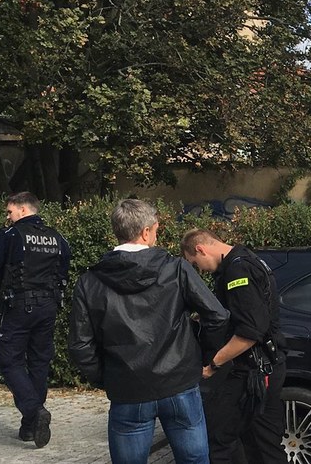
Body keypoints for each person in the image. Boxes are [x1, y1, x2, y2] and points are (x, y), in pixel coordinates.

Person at [69, 199, 229, 464]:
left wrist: (108, 378)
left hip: (128, 390)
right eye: (155, 229)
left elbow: (80, 345)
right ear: (145, 232)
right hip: (179, 383)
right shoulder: (176, 268)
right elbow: (218, 316)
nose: (156, 235)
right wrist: (201, 357)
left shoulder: (89, 282)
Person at [181, 228, 288, 464]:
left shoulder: (237, 270)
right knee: (262, 444)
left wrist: (213, 364)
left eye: (195, 263)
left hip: (253, 374)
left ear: (201, 249)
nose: (200, 270)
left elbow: (249, 332)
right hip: (268, 367)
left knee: (219, 438)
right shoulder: (246, 259)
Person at [0, 191, 71, 448]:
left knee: (7, 358)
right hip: (49, 306)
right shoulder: (57, 237)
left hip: (20, 306)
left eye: (9, 212)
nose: (7, 217)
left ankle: (34, 411)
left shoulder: (11, 235)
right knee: (39, 362)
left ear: (23, 210)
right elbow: (64, 267)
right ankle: (29, 427)